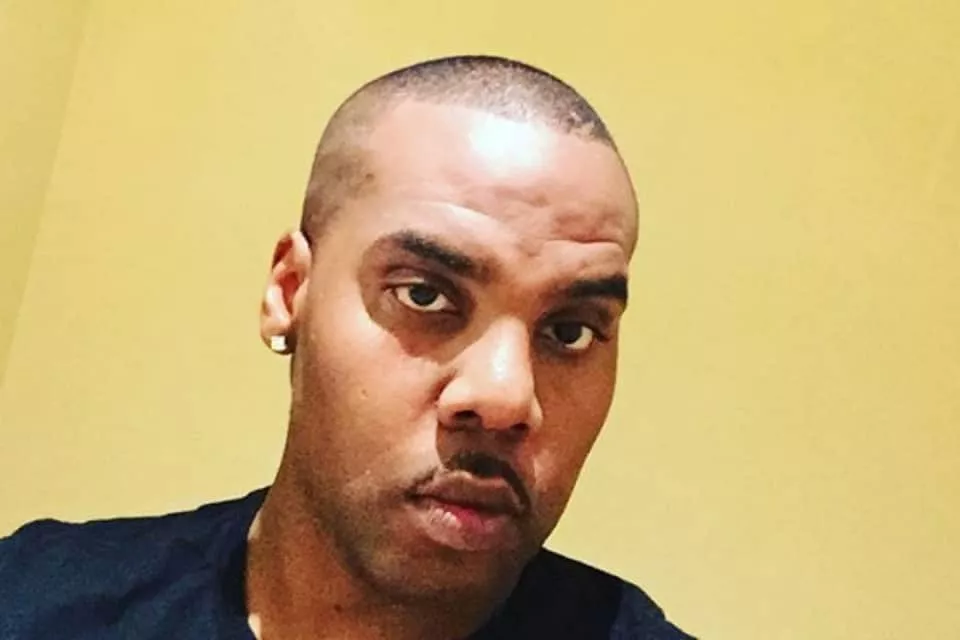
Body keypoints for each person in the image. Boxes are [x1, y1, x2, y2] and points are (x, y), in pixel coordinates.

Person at [0, 55, 693, 639]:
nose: (505, 396)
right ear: (290, 291)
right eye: (424, 295)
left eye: (570, 331)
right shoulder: (33, 602)